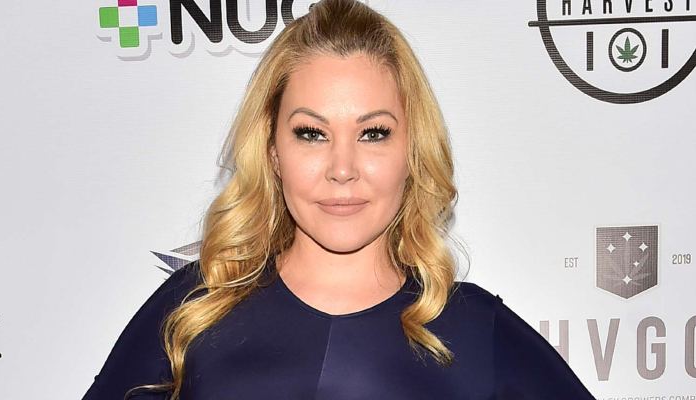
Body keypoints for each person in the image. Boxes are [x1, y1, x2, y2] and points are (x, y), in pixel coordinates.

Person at [82, 0, 597, 399]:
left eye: (374, 133)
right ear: (272, 151)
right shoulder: (194, 309)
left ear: (412, 150)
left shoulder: (475, 330)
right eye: (312, 134)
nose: (343, 169)